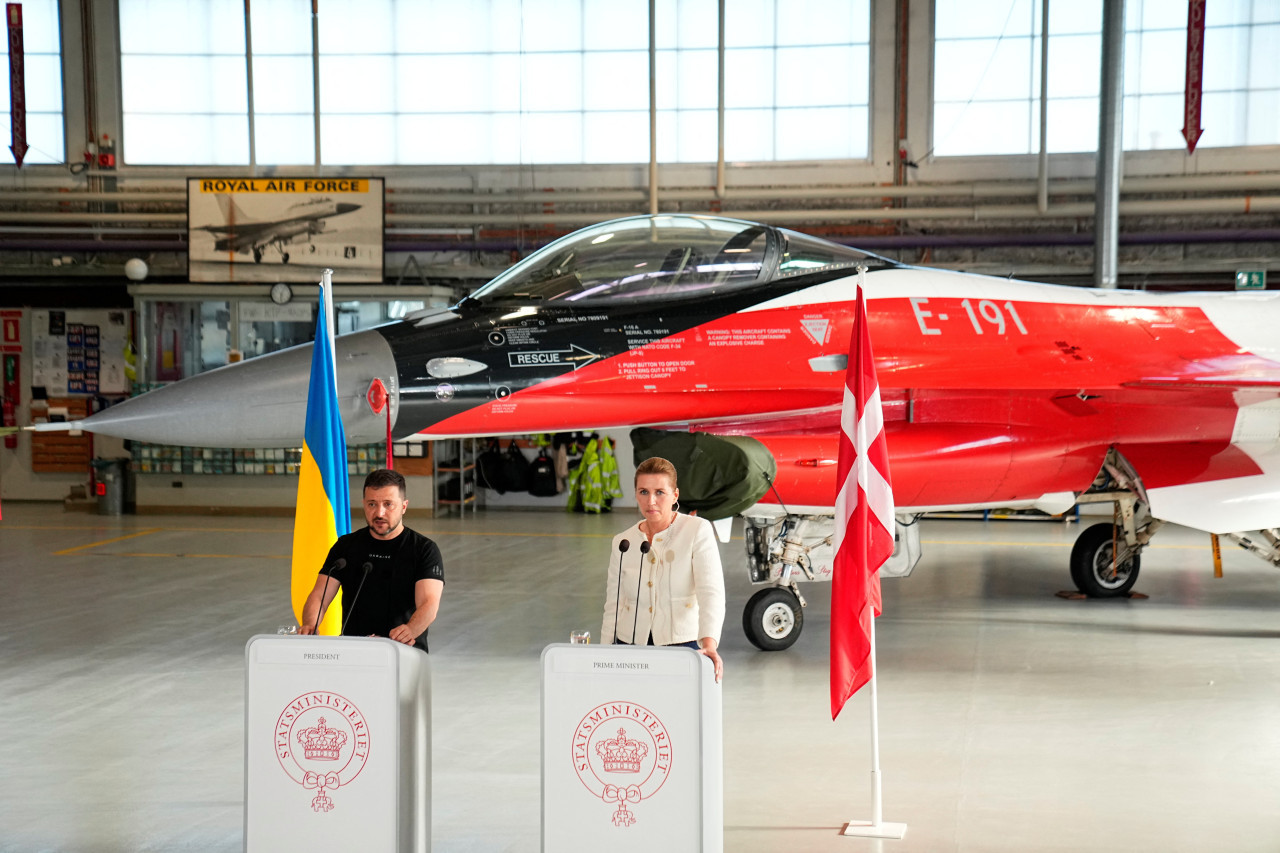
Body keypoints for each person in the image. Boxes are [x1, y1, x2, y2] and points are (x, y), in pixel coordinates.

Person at [601, 456, 725, 681]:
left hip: (682, 646)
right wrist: (604, 653)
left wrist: (709, 643)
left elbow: (711, 593)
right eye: (643, 492)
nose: (651, 502)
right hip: (628, 645)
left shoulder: (697, 530)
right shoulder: (623, 541)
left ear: (675, 495)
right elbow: (614, 604)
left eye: (660, 492)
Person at [300, 468, 444, 652]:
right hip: (354, 651)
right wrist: (310, 625)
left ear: (404, 506)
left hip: (404, 651)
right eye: (372, 504)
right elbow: (320, 595)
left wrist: (410, 630)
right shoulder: (346, 546)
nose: (379, 513)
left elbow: (429, 603)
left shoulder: (423, 549)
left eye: (388, 504)